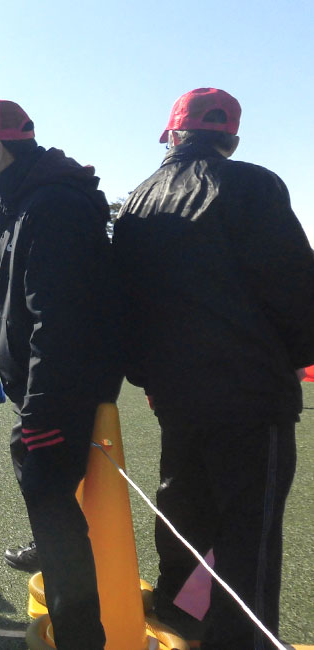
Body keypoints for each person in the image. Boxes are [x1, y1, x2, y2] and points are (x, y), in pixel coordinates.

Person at [113, 88, 313, 649]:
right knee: (249, 527)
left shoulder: (139, 199)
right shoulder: (254, 184)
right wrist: (293, 357)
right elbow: (296, 287)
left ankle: (183, 617)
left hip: (175, 394)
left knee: (183, 505)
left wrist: (149, 375)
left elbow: (125, 302)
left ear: (173, 135)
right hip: (251, 393)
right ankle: (239, 640)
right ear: (231, 138)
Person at [0, 99, 121, 649]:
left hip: (61, 391)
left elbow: (61, 318)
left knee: (50, 499)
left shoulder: (51, 207)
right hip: (51, 385)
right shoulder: (25, 203)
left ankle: (81, 637)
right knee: (51, 496)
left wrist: (42, 411)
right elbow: (23, 305)